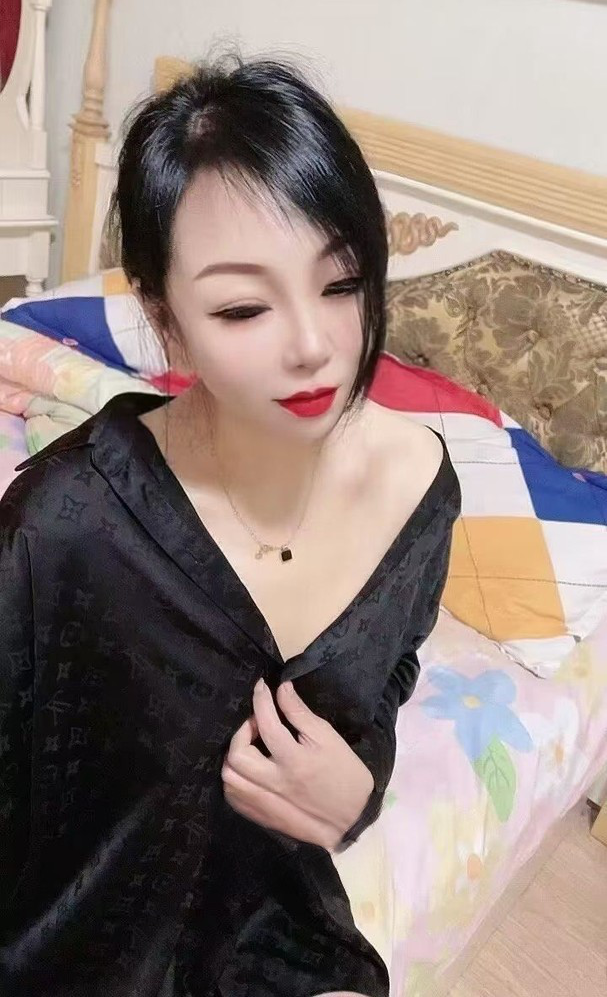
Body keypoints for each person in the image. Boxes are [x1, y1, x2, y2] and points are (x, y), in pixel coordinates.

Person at [0, 53, 461, 997]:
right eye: (243, 307)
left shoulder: (419, 485)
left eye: (341, 283)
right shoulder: (67, 525)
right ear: (167, 322)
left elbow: (388, 676)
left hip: (270, 923)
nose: (314, 346)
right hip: (72, 941)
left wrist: (358, 789)